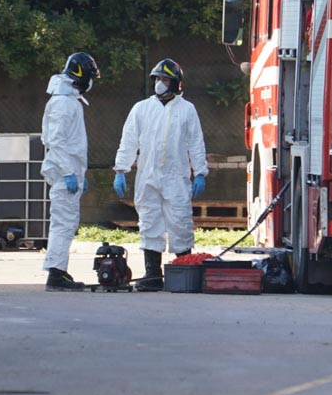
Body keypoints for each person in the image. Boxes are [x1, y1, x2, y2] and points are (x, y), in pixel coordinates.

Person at [112, 59, 208, 292]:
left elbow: (196, 142)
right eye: (157, 79)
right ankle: (152, 274)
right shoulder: (142, 108)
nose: (159, 83)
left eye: (164, 79)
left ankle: (184, 270)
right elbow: (129, 140)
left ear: (175, 83)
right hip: (148, 175)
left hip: (176, 176)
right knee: (149, 221)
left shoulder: (186, 109)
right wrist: (121, 169)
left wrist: (200, 172)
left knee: (181, 221)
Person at [40, 52, 100, 291]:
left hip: (70, 174)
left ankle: (58, 272)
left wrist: (77, 174)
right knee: (63, 224)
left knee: (65, 223)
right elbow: (56, 141)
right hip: (65, 175)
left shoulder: (67, 100)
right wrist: (68, 172)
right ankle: (56, 275)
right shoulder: (63, 103)